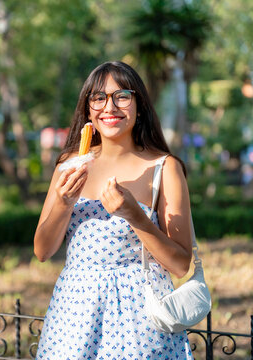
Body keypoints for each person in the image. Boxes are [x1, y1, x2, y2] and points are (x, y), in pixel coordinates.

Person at [34, 61, 194, 359]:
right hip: (74, 314)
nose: (110, 106)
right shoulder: (69, 164)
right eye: (98, 97)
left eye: (122, 96)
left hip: (139, 321)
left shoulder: (164, 168)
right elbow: (42, 251)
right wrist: (63, 202)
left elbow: (182, 265)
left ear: (140, 105)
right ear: (87, 108)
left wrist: (135, 217)